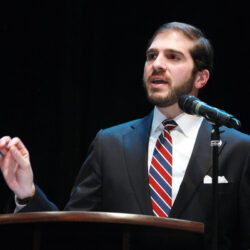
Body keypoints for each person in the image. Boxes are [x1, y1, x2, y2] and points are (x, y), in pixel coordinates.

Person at [0, 22, 249, 250]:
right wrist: (27, 192)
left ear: (201, 77)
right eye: (151, 56)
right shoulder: (109, 144)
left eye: (173, 57)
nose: (157, 64)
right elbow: (69, 234)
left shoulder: (238, 149)